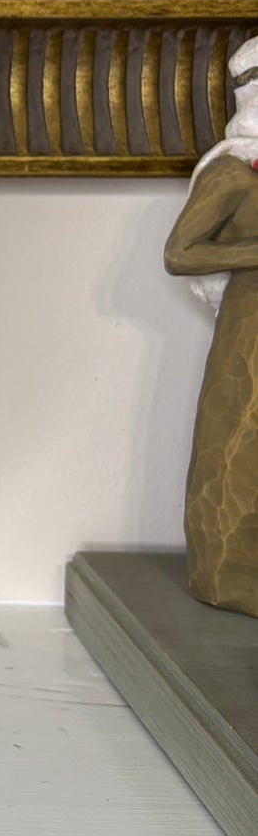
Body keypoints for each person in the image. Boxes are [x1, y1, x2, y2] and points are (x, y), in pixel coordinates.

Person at [163, 35, 258, 616]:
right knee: (237, 446)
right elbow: (180, 253)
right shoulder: (231, 173)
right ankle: (227, 576)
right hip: (248, 332)